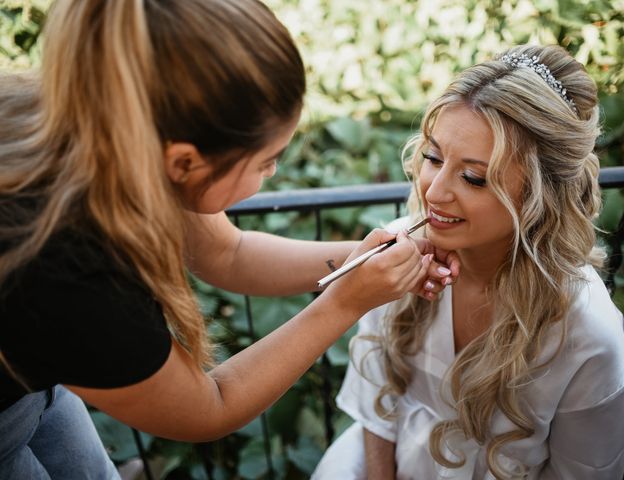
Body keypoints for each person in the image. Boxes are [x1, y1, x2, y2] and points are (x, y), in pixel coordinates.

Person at [0, 0, 459, 477]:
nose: (274, 170)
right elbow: (209, 407)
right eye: (266, 161)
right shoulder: (68, 275)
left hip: (32, 386)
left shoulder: (114, 126)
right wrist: (345, 303)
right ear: (184, 163)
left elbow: (228, 253)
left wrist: (366, 256)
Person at [312, 44, 624, 479]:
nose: (434, 191)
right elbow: (377, 412)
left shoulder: (588, 335)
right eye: (432, 157)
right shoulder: (398, 255)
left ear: (541, 195)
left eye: (473, 177)